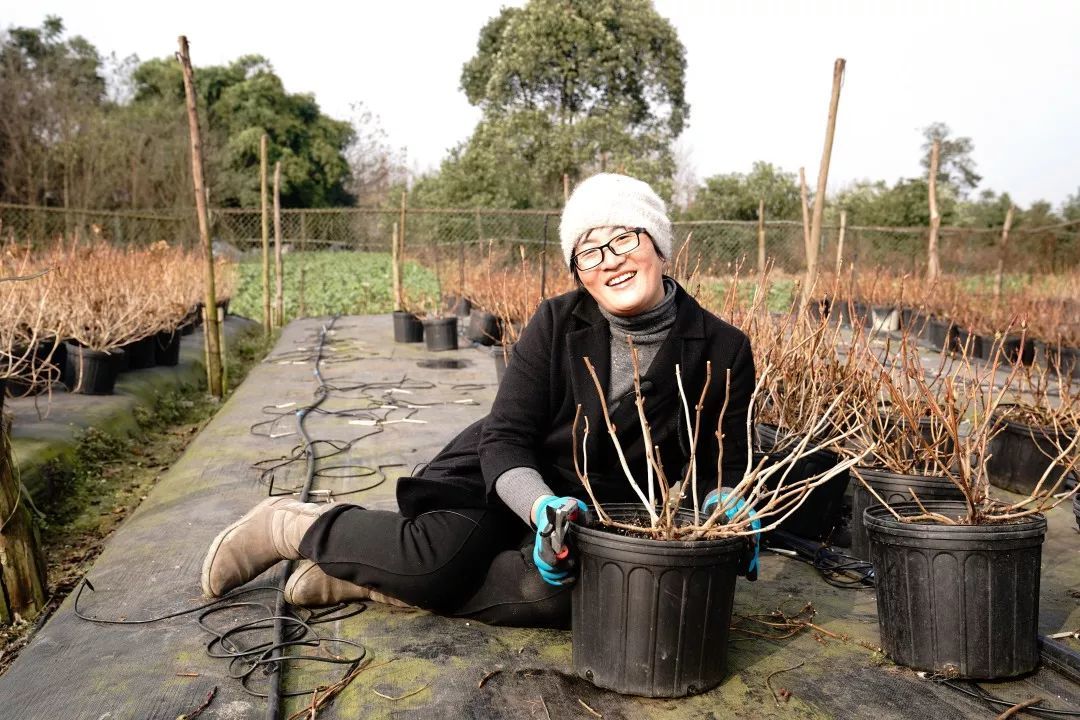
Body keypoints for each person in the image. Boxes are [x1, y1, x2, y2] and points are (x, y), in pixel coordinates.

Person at [201, 173, 755, 628]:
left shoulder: (723, 348)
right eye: (589, 252)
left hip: (600, 514)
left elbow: (724, 466)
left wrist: (728, 510)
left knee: (573, 602)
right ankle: (290, 526)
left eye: (623, 240)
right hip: (504, 477)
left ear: (657, 242)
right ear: (580, 273)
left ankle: (367, 575)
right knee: (435, 561)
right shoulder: (557, 323)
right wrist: (540, 509)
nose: (609, 261)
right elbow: (507, 437)